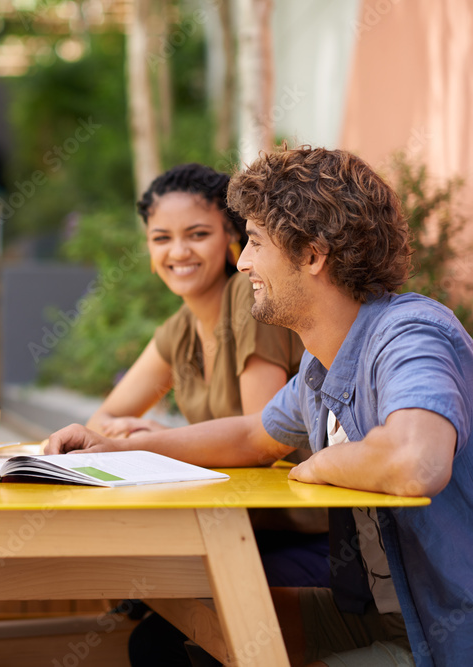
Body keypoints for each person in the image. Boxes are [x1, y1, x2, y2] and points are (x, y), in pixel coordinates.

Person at [47, 146, 473, 666]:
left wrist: (323, 465)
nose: (242, 261)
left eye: (254, 243)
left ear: (313, 255)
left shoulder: (410, 335)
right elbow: (253, 436)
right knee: (190, 634)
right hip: (384, 613)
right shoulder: (322, 367)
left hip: (445, 632)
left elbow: (417, 460)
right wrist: (115, 447)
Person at [87, 164, 325, 666]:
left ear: (232, 240)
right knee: (142, 600)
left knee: (157, 623)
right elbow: (103, 421)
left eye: (197, 234)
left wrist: (165, 437)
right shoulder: (180, 330)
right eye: (161, 238)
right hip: (240, 529)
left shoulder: (250, 303)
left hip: (306, 536)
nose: (178, 252)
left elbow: (263, 437)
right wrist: (142, 433)